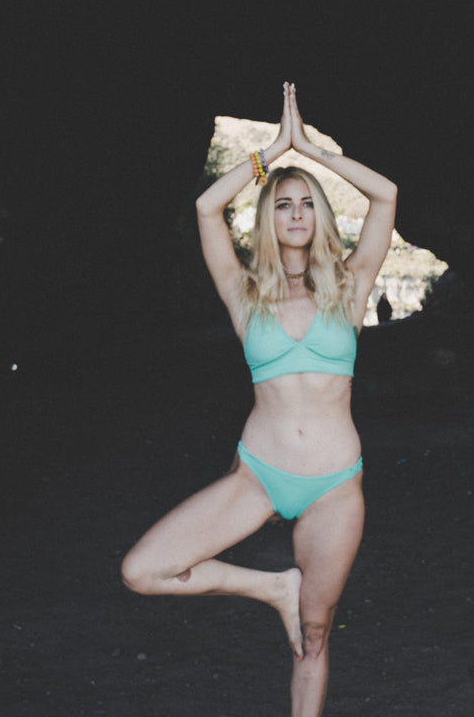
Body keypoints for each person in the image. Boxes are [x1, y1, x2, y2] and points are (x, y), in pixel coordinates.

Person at [121, 82, 397, 717]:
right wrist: (269, 155)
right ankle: (273, 588)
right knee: (143, 570)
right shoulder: (244, 295)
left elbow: (385, 195)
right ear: (268, 217)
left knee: (316, 636)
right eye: (282, 204)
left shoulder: (351, 288)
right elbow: (204, 209)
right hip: (259, 476)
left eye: (306, 204)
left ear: (320, 214)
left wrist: (312, 152)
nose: (296, 213)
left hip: (334, 486)